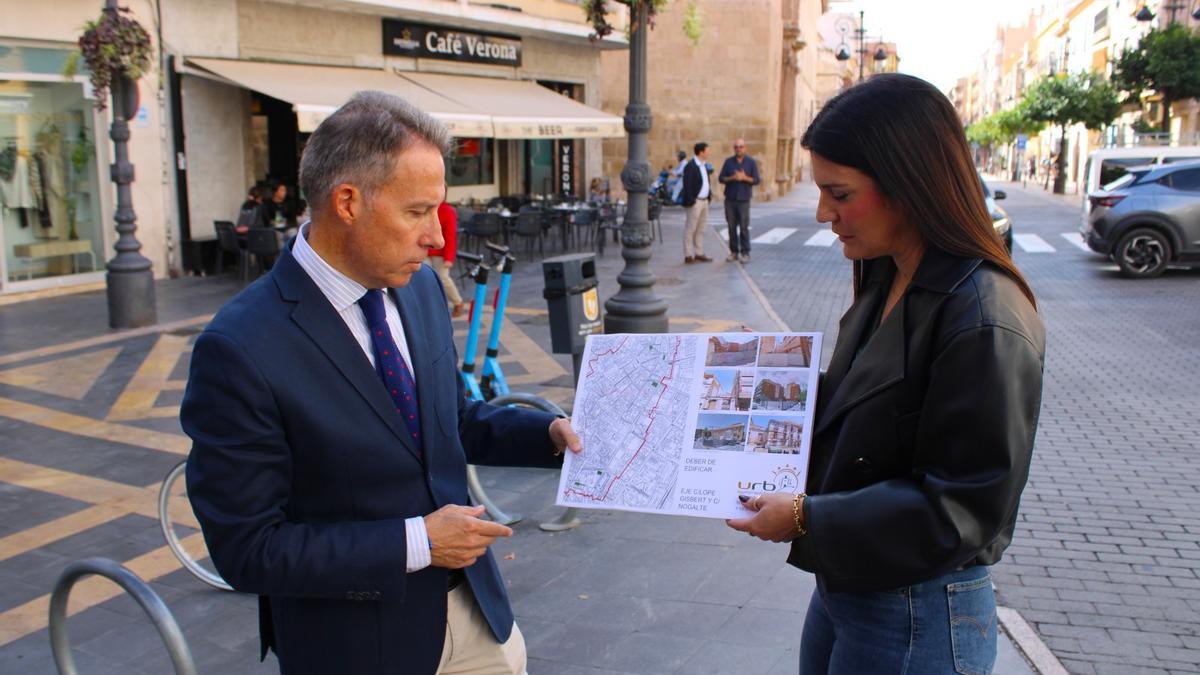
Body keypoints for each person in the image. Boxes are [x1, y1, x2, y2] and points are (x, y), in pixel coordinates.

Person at [182, 91, 582, 675]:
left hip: (479, 621)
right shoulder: (239, 348)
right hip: (357, 648)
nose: (438, 240)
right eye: (418, 212)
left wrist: (550, 432)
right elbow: (247, 550)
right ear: (347, 201)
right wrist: (416, 542)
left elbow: (453, 419)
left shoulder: (415, 287)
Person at [726, 73, 1045, 674]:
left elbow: (965, 507)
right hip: (852, 585)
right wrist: (772, 385)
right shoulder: (885, 272)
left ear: (907, 184)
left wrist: (804, 517)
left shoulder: (982, 313)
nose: (824, 213)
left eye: (840, 194)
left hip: (920, 610)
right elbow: (870, 404)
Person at [718, 138, 761, 262]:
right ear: (734, 148)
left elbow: (756, 180)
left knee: (743, 227)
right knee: (731, 227)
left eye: (741, 147)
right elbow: (721, 178)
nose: (738, 149)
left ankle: (745, 252)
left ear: (745, 148)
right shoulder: (728, 162)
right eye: (736, 147)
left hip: (744, 200)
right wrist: (732, 177)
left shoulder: (751, 162)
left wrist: (744, 178)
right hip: (730, 199)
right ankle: (733, 252)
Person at [428, 199, 465, 318]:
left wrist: (449, 258)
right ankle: (431, 306)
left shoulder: (448, 211)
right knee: (422, 278)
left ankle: (457, 302)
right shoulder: (425, 207)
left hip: (441, 252)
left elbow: (450, 236)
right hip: (425, 251)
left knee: (443, 278)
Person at [680, 142, 713, 264]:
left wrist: (708, 197)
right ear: (701, 152)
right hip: (695, 202)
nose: (709, 152)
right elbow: (687, 186)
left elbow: (705, 182)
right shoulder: (691, 166)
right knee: (691, 228)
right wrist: (692, 201)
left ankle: (699, 253)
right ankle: (688, 255)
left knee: (701, 228)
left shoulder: (703, 165)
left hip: (704, 202)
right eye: (707, 150)